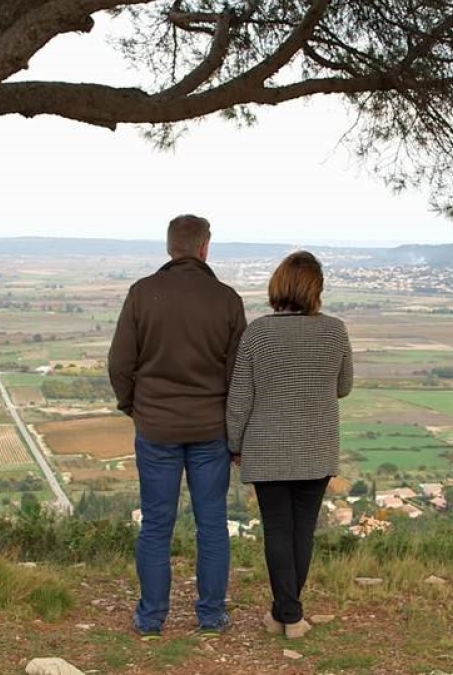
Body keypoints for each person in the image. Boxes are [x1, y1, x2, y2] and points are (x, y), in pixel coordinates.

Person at [108, 214, 247, 639]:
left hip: (156, 428)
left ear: (170, 247)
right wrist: (232, 426)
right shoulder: (226, 299)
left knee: (156, 524)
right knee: (212, 524)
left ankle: (151, 618)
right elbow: (239, 373)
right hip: (210, 431)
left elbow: (119, 364)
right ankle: (210, 616)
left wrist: (134, 406)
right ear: (205, 247)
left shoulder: (142, 293)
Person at [226, 251, 353, 639]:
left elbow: (239, 399)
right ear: (316, 289)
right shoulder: (335, 331)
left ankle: (288, 615)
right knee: (302, 533)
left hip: (267, 450)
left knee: (278, 531)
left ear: (277, 286)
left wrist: (234, 443)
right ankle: (287, 614)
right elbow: (343, 387)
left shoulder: (259, 332)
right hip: (316, 449)